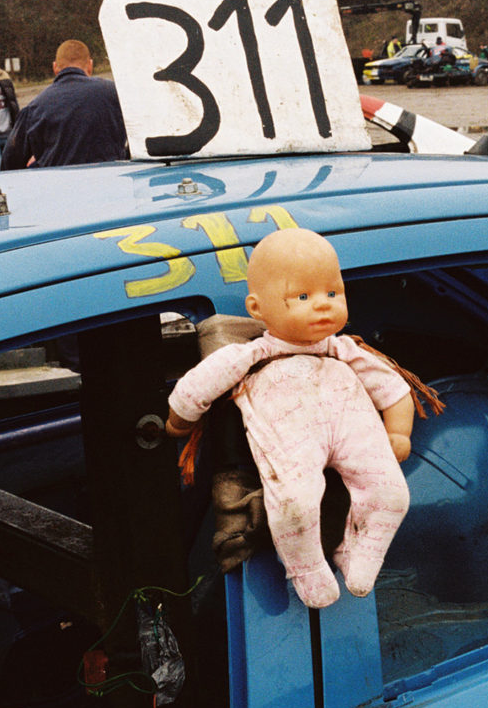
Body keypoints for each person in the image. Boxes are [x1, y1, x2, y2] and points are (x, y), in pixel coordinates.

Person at [166, 227, 416, 609]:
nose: (322, 305)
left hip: (355, 435)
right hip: (295, 441)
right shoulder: (252, 356)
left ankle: (360, 553)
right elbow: (198, 386)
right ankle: (306, 567)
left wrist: (397, 431)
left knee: (393, 494)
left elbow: (394, 389)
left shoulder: (344, 351)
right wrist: (179, 422)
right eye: (302, 296)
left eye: (333, 293)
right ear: (256, 309)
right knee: (293, 503)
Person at [1, 39, 127, 170]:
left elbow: (10, 161)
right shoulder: (115, 94)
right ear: (90, 65)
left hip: (59, 185)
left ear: (55, 67)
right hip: (109, 180)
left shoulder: (35, 107)